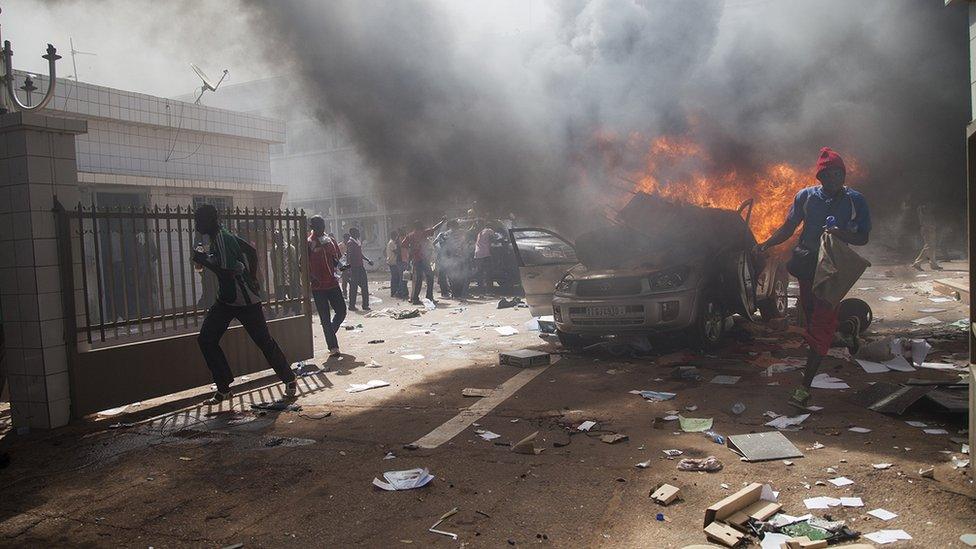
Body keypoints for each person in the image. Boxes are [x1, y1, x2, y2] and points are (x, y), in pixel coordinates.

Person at [757, 147, 871, 408]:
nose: (834, 179)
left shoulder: (855, 200)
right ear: (819, 177)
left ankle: (803, 389)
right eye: (828, 175)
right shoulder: (806, 197)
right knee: (813, 318)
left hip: (832, 271)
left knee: (819, 326)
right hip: (807, 267)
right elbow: (789, 227)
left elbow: (863, 238)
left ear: (843, 175)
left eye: (838, 173)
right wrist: (766, 244)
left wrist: (839, 233)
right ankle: (847, 328)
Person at [191, 205, 297, 404]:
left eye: (199, 220)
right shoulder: (222, 236)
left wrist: (203, 260)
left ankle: (290, 378)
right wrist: (253, 276)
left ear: (209, 221)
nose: (197, 225)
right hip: (227, 299)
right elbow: (251, 251)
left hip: (245, 301)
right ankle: (223, 388)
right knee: (206, 338)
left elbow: (227, 272)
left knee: (263, 341)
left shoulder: (222, 238)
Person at [308, 215, 346, 357]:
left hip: (332, 282)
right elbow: (302, 265)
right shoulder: (309, 243)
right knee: (324, 317)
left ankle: (330, 332)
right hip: (318, 287)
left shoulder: (330, 241)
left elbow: (336, 260)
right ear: (313, 228)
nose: (321, 229)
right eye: (318, 226)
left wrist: (341, 266)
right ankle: (333, 346)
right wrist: (312, 278)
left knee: (341, 311)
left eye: (322, 226)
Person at [402, 218, 446, 305]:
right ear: (420, 226)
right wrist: (442, 222)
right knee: (430, 278)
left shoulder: (410, 235)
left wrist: (411, 252)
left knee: (418, 279)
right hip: (424, 259)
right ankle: (429, 297)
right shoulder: (423, 232)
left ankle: (415, 298)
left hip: (416, 260)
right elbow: (434, 228)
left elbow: (403, 245)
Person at [270, 230, 300, 314]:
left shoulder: (290, 248)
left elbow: (295, 263)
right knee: (280, 298)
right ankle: (287, 307)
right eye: (275, 238)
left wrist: (297, 278)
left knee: (294, 297)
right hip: (280, 279)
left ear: (282, 237)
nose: (276, 239)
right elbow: (273, 265)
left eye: (278, 237)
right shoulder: (273, 251)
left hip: (291, 278)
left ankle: (297, 314)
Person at [346, 227, 373, 311]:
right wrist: (349, 269)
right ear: (353, 233)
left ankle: (365, 305)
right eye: (357, 232)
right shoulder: (350, 243)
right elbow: (349, 257)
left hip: (360, 267)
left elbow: (360, 254)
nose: (359, 233)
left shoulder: (357, 242)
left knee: (364, 286)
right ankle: (352, 306)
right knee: (353, 287)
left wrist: (367, 259)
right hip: (354, 268)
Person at [911, 203, 942, 271]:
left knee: (931, 247)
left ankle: (933, 264)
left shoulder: (926, 215)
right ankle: (917, 263)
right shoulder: (925, 215)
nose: (930, 209)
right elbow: (928, 224)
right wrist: (932, 227)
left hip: (930, 230)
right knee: (928, 247)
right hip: (928, 231)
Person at [474, 223, 498, 291]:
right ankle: (489, 290)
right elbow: (495, 238)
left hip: (477, 254)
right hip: (485, 254)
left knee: (480, 272)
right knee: (488, 272)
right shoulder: (488, 230)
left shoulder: (479, 233)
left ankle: (480, 289)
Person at [386, 230, 402, 298]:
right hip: (393, 262)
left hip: (393, 261)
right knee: (395, 278)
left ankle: (395, 292)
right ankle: (394, 292)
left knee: (396, 277)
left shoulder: (392, 242)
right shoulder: (392, 243)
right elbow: (397, 251)